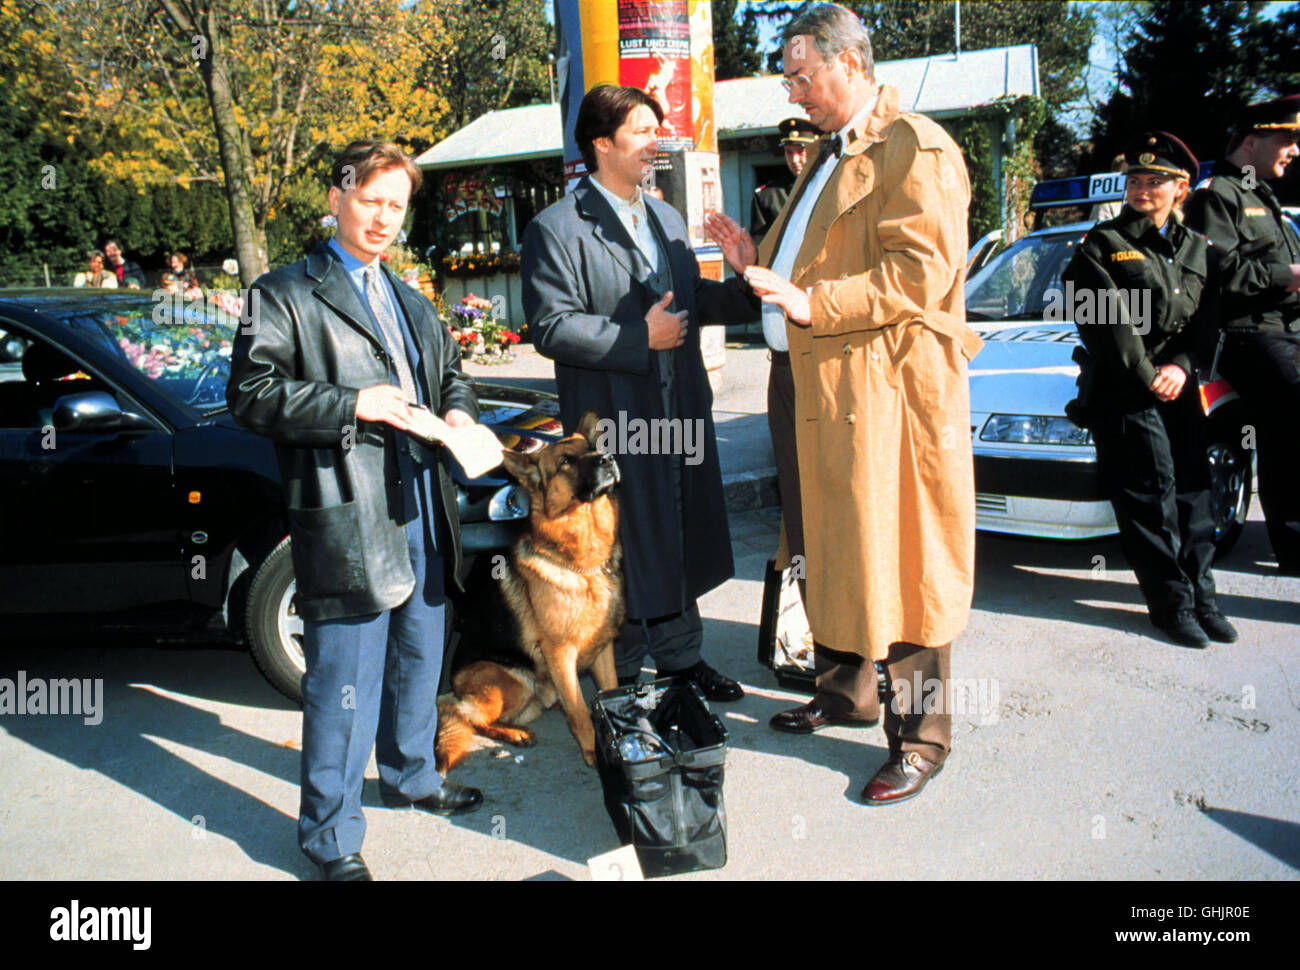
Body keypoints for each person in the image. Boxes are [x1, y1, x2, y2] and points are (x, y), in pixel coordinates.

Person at [730, 2, 982, 805]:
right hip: (812, 383)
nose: (795, 91)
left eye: (804, 75)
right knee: (824, 543)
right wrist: (754, 256)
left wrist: (810, 303)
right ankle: (846, 691)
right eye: (790, 77)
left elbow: (918, 274)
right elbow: (811, 253)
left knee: (905, 557)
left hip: (883, 388)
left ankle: (924, 737)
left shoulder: (914, 146)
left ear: (850, 61)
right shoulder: (831, 155)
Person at [227, 140, 484, 882]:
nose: (382, 217)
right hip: (347, 510)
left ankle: (411, 778)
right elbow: (250, 395)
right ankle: (332, 839)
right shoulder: (282, 294)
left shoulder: (408, 298)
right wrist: (352, 403)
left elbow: (453, 376)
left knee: (418, 657)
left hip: (423, 502)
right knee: (343, 681)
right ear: (336, 200)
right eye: (369, 200)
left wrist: (460, 416)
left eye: (396, 205)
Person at [520, 84, 760, 702]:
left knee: (675, 531)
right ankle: (620, 676)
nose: (657, 142)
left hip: (677, 410)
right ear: (602, 144)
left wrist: (744, 275)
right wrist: (637, 337)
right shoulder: (556, 228)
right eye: (642, 131)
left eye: (657, 128)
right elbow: (550, 325)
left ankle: (682, 662)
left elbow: (693, 301)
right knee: (620, 542)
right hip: (614, 422)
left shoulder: (666, 217)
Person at [1062, 132, 1236, 648]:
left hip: (1177, 387)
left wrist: (1182, 367)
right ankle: (1171, 605)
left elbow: (1206, 320)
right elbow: (1106, 322)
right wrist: (1148, 375)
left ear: (1181, 188)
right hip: (1125, 389)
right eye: (1135, 180)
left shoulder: (1198, 249)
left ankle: (1204, 597)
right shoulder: (1102, 246)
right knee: (1149, 502)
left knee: (1193, 494)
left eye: (1155, 180)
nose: (1142, 188)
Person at [1184, 94, 1300, 575]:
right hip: (1248, 334)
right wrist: (1290, 276)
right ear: (1251, 141)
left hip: (1285, 331)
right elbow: (1216, 274)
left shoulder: (1263, 197)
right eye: (1287, 139)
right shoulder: (1217, 196)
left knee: (1285, 434)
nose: (1294, 150)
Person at [749, 117, 820, 245]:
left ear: (815, 150)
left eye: (800, 151)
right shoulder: (768, 196)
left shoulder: (828, 185)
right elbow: (760, 246)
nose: (794, 159)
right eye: (789, 152)